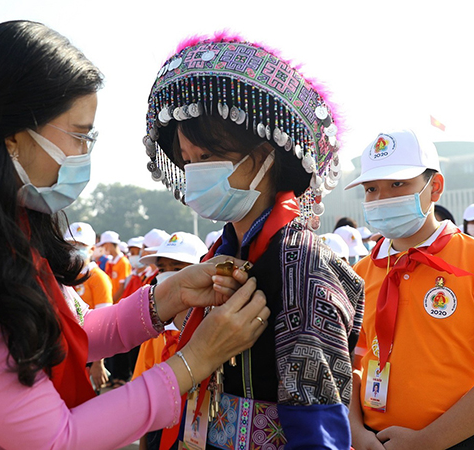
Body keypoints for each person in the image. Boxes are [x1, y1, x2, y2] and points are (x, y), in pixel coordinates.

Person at [0, 21, 269, 450]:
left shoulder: (1, 226)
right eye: (79, 135)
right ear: (13, 136)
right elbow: (55, 438)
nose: (84, 153)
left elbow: (62, 336)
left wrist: (167, 297)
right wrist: (195, 360)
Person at [143, 34, 364, 450]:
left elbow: (318, 428)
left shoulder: (304, 262)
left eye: (207, 157)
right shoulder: (219, 254)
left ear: (264, 156)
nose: (194, 173)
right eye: (187, 162)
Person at [345, 129, 474, 449]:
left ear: (436, 187)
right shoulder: (361, 272)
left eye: (398, 184)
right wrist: (357, 432)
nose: (382, 198)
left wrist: (428, 441)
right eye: (371, 189)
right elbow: (350, 367)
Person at [133, 232, 208, 450]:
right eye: (162, 269)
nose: (168, 276)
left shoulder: (213, 325)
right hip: (160, 427)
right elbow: (142, 392)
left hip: (202, 425)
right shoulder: (154, 331)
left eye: (177, 268)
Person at [64, 222, 113, 392]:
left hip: (89, 353)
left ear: (92, 249)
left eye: (80, 245)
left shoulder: (98, 278)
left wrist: (98, 363)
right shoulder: (64, 275)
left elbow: (104, 323)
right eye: (70, 245)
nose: (74, 250)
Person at [98, 230, 131, 300]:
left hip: (118, 302)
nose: (103, 248)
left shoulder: (123, 262)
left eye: (103, 245)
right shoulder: (109, 262)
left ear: (109, 244)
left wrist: (112, 302)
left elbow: (122, 287)